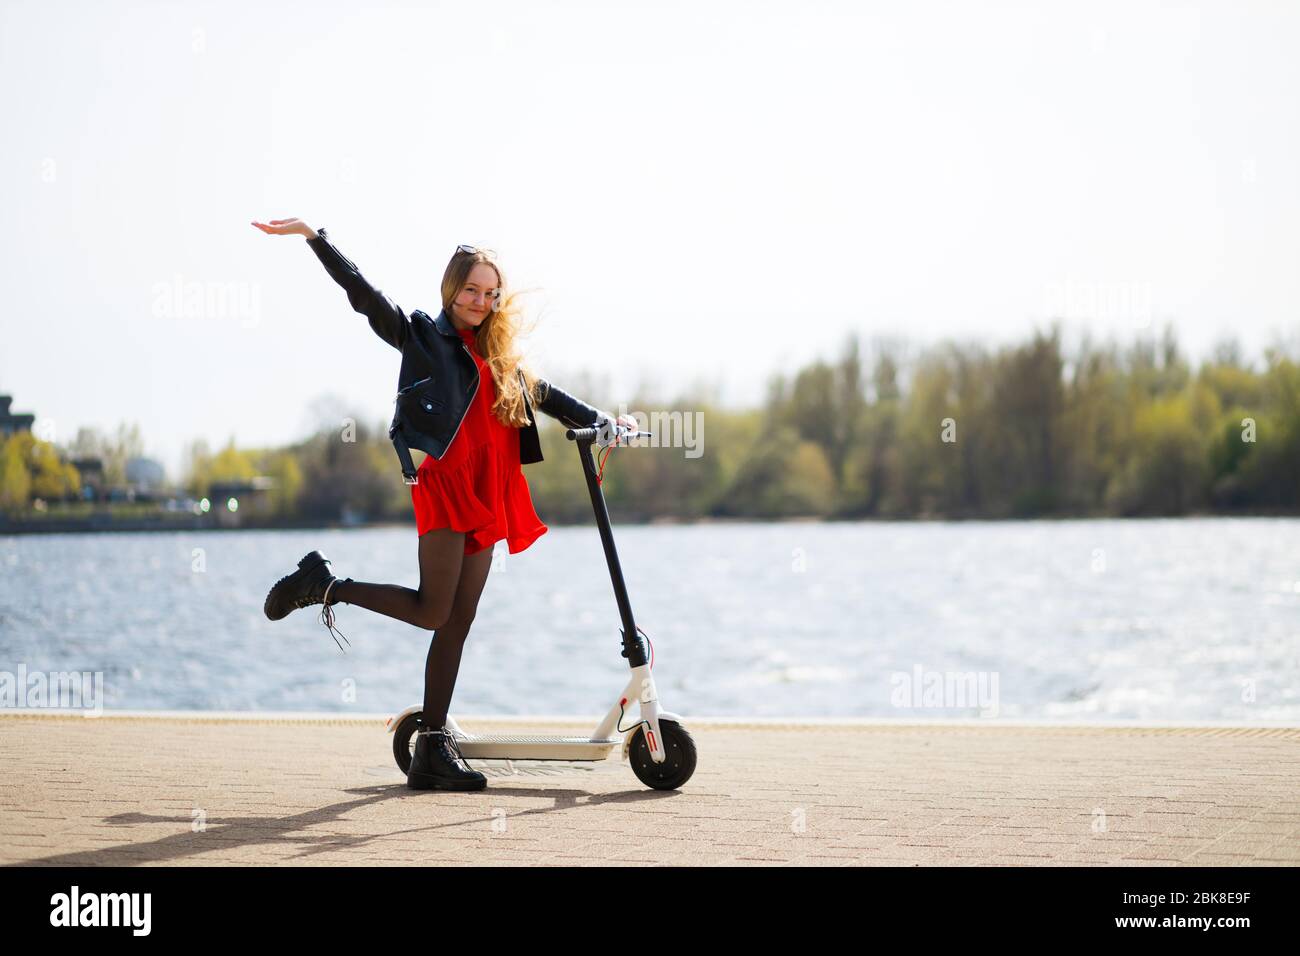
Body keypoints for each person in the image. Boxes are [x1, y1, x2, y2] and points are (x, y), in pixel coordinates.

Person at [251, 217, 635, 791]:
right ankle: (324, 585)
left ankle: (432, 748)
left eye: (489, 292)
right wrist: (317, 240)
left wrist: (604, 422)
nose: (479, 301)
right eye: (470, 290)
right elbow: (366, 299)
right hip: (446, 483)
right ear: (450, 289)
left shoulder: (501, 355)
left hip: (488, 488)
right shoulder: (422, 337)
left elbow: (548, 395)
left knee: (459, 618)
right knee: (435, 611)